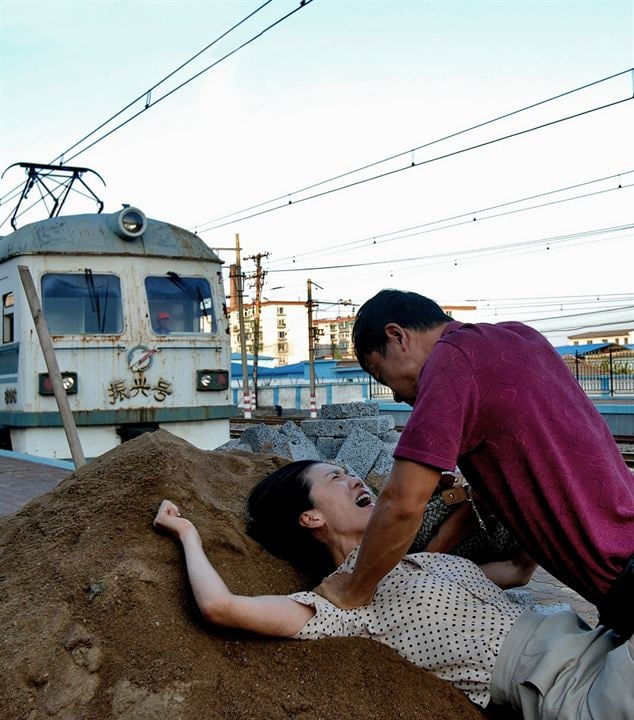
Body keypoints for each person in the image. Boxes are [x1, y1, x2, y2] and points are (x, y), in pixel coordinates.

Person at [153, 460, 634, 719]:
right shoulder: (340, 602)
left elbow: (517, 569)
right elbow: (220, 606)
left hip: (604, 644)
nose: (353, 478)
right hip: (576, 691)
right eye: (335, 478)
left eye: (348, 470)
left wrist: (511, 490)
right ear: (311, 518)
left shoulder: (421, 563)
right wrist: (187, 534)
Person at [315, 289, 634, 639]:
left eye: (380, 373)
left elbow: (402, 503)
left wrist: (354, 590)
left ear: (397, 336)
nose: (394, 395)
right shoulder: (520, 337)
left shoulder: (450, 362)